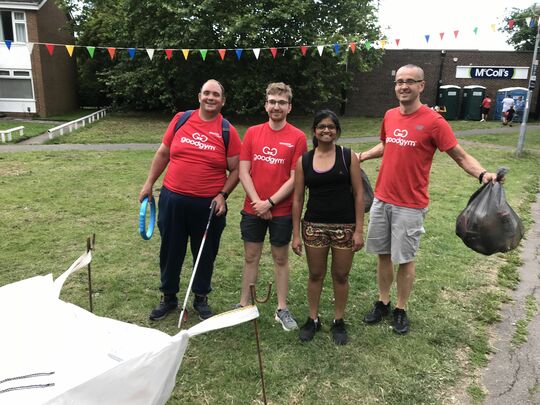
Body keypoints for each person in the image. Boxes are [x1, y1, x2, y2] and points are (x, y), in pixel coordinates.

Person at [357, 64, 497, 334]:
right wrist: (361, 156)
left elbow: (460, 155)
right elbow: (387, 145)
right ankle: (383, 301)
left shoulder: (434, 121)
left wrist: (482, 174)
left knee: (405, 258)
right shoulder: (389, 116)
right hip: (382, 199)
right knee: (383, 256)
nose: (404, 86)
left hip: (410, 205)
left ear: (422, 85)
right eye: (399, 81)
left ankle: (400, 308)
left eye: (410, 81)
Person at [139, 79, 241, 322]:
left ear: (222, 101)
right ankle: (169, 296)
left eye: (216, 94)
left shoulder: (227, 130)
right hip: (172, 198)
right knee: (171, 249)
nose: (210, 97)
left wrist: (222, 195)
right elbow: (163, 152)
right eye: (206, 93)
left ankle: (201, 298)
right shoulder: (181, 119)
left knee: (205, 252)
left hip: (208, 205)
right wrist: (148, 183)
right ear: (199, 96)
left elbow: (236, 170)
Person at [237, 82, 307, 331]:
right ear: (266, 105)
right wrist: (258, 202)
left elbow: (294, 177)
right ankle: (244, 305)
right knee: (250, 256)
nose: (276, 106)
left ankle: (282, 309)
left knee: (280, 258)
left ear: (289, 106)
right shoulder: (253, 133)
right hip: (253, 208)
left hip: (281, 210)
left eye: (282, 102)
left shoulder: (298, 137)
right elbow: (244, 170)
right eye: (272, 101)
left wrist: (270, 202)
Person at [291, 110, 364, 345]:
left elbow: (359, 193)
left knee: (341, 275)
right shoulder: (304, 160)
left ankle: (338, 320)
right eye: (321, 126)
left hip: (345, 226)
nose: (326, 130)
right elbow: (298, 198)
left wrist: (359, 230)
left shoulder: (348, 156)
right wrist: (296, 234)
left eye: (331, 127)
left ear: (337, 131)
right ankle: (312, 319)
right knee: (315, 274)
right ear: (314, 130)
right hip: (314, 226)